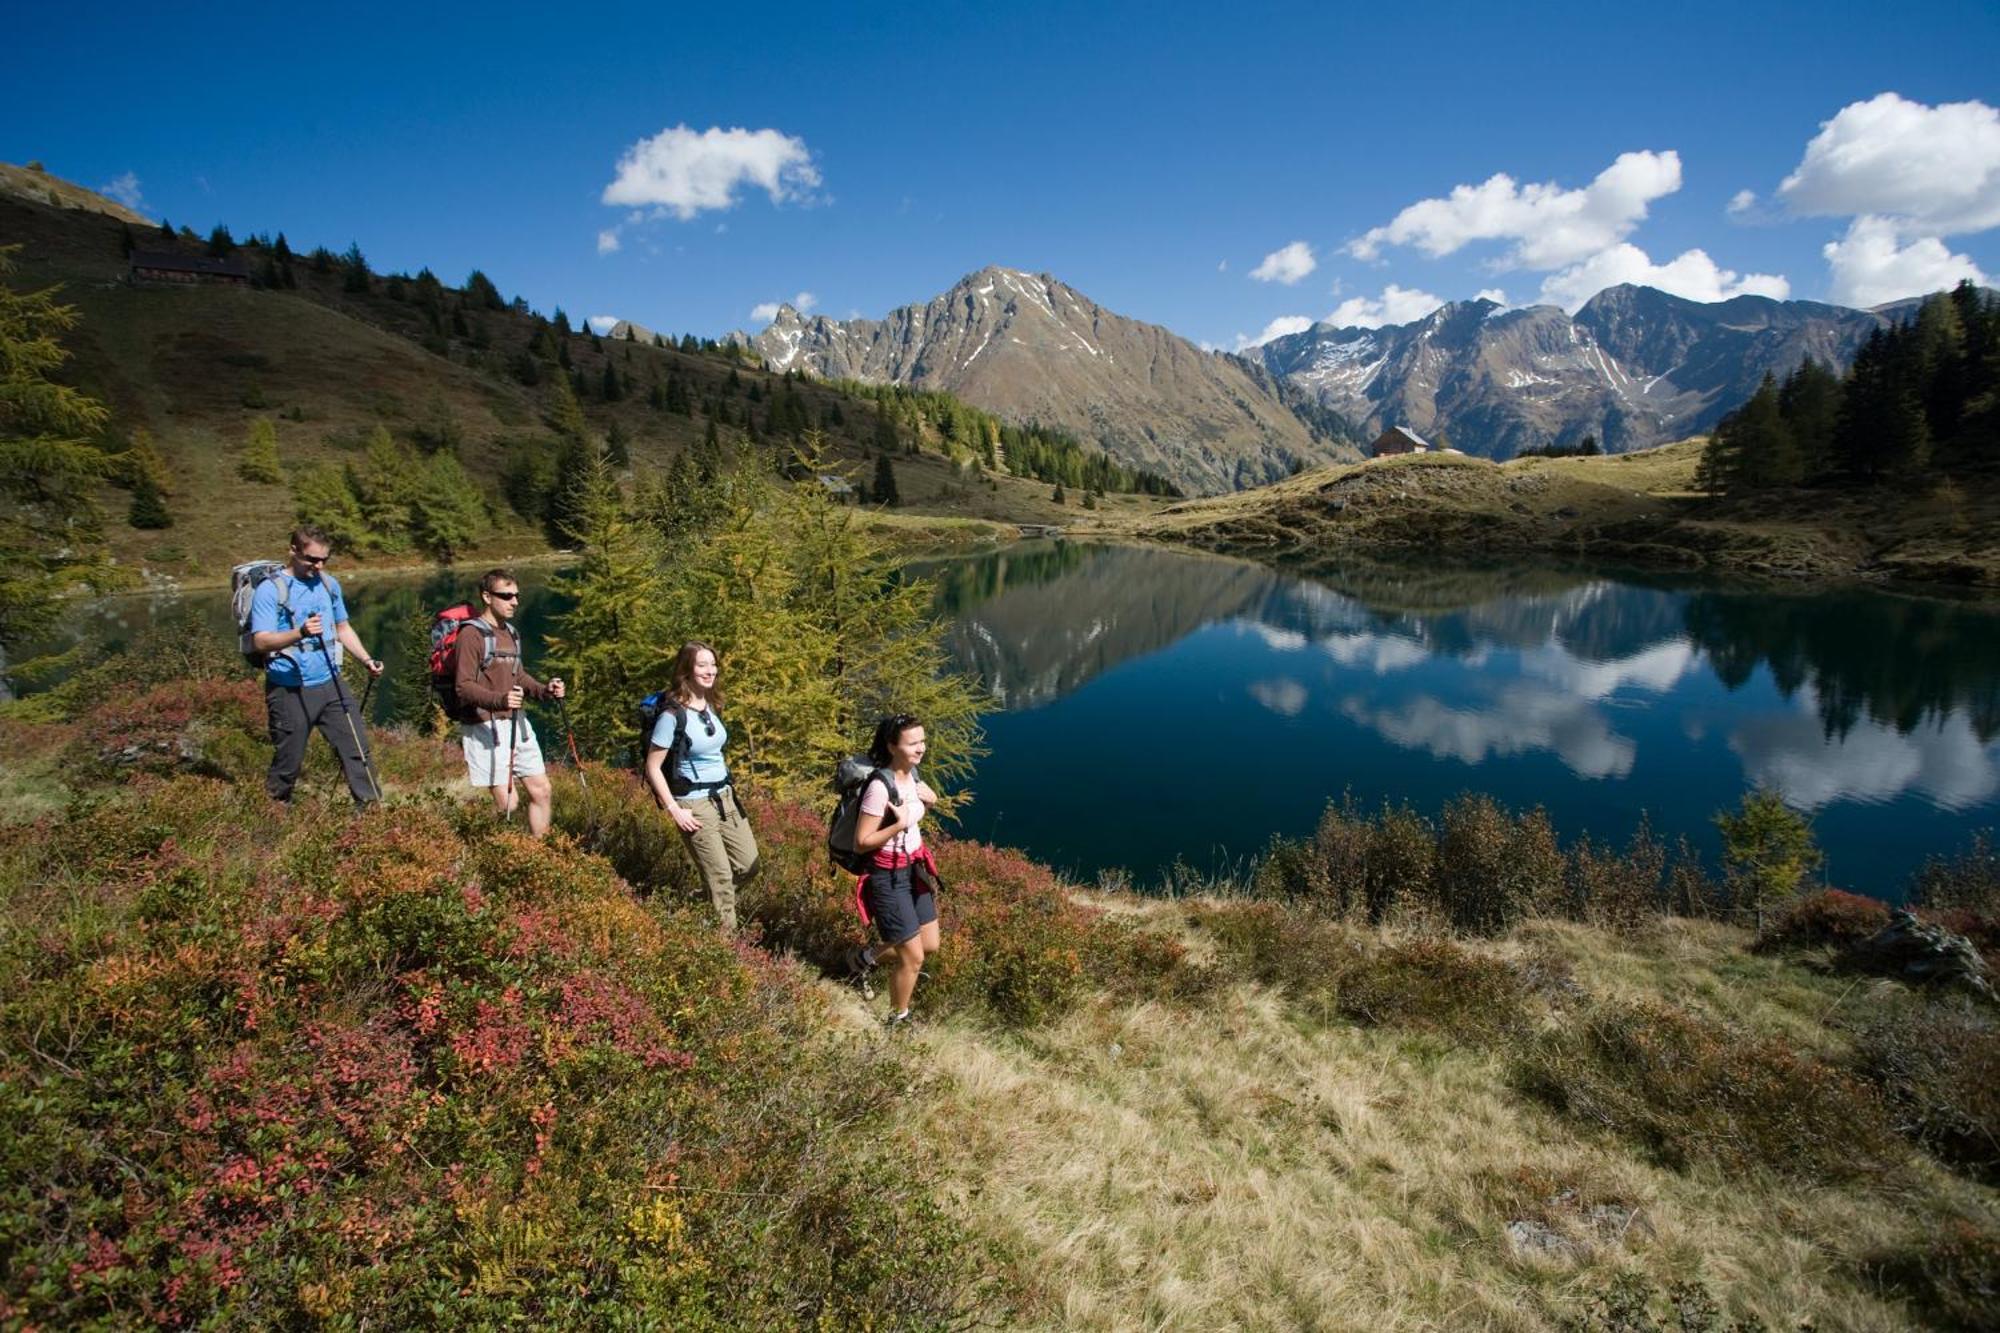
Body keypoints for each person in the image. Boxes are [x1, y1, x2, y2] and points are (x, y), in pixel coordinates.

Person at [249, 524, 385, 808]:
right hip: (289, 689)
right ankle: (271, 820)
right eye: (312, 559)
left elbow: (342, 627)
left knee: (358, 752)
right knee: (289, 761)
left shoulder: (328, 584)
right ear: (293, 551)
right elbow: (260, 642)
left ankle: (373, 820)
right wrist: (299, 633)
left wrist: (366, 659)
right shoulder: (270, 590)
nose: (318, 565)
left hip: (331, 684)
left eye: (324, 559)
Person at [643, 642, 758, 930]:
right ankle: (727, 954)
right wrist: (674, 810)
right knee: (720, 878)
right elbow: (653, 767)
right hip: (693, 804)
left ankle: (701, 900)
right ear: (687, 670)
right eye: (702, 665)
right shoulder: (671, 716)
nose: (710, 671)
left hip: (725, 797)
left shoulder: (711, 704)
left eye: (713, 665)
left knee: (749, 865)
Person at [451, 568, 566, 837]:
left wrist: (544, 690)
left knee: (542, 790)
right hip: (483, 726)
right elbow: (463, 686)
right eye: (506, 595)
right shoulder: (471, 635)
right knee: (509, 804)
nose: (514, 601)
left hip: (516, 722)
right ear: (487, 597)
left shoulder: (512, 633)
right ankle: (488, 846)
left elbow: (519, 675)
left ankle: (540, 855)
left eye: (516, 595)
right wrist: (500, 700)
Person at [845, 714, 941, 1030]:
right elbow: (861, 842)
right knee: (913, 957)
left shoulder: (912, 775)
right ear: (891, 746)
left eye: (922, 741)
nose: (920, 748)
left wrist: (929, 802)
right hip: (888, 876)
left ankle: (862, 960)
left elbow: (917, 807)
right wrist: (898, 824)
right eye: (912, 743)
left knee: (928, 945)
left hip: (914, 868)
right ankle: (896, 1020)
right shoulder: (879, 787)